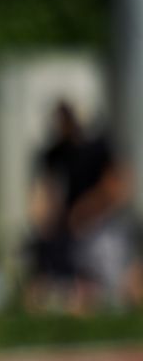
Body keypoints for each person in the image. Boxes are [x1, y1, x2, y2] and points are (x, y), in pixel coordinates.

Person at [24, 100, 142, 313]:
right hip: (70, 227)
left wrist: (88, 208)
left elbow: (119, 187)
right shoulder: (54, 154)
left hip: (103, 222)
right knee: (57, 276)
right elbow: (44, 192)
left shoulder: (98, 148)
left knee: (123, 279)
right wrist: (44, 218)